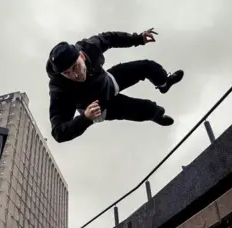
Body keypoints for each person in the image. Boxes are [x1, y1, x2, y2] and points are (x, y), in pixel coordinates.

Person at [46, 28, 184, 143]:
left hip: (109, 82)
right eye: (67, 73)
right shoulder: (59, 89)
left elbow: (110, 38)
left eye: (75, 67)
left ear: (81, 56)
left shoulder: (89, 47)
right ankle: (156, 114)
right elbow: (58, 132)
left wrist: (138, 39)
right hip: (98, 108)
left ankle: (164, 83)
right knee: (134, 107)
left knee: (147, 66)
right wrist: (85, 119)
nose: (75, 75)